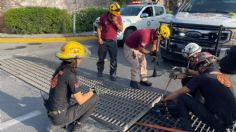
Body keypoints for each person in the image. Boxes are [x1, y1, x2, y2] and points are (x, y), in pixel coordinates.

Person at [164, 52, 236, 131]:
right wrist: (186, 71)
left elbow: (178, 93)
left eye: (198, 66)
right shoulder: (219, 75)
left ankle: (186, 129)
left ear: (203, 65)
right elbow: (198, 75)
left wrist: (164, 100)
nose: (197, 68)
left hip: (218, 122)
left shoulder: (202, 78)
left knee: (182, 97)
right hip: (230, 121)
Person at [45, 41, 99, 131]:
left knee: (84, 96)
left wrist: (82, 94)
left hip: (52, 113)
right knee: (95, 97)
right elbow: (81, 101)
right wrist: (93, 90)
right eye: (80, 58)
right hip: (60, 117)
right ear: (74, 59)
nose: (81, 60)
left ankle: (66, 122)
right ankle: (78, 126)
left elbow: (69, 93)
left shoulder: (61, 70)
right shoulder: (70, 75)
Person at [96, 2, 123, 81]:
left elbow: (121, 29)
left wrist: (116, 23)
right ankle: (100, 71)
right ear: (110, 12)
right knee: (101, 58)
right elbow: (98, 27)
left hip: (113, 41)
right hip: (103, 41)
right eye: (114, 14)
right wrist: (99, 38)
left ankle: (113, 74)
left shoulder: (118, 17)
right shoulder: (103, 17)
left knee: (113, 59)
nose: (115, 15)